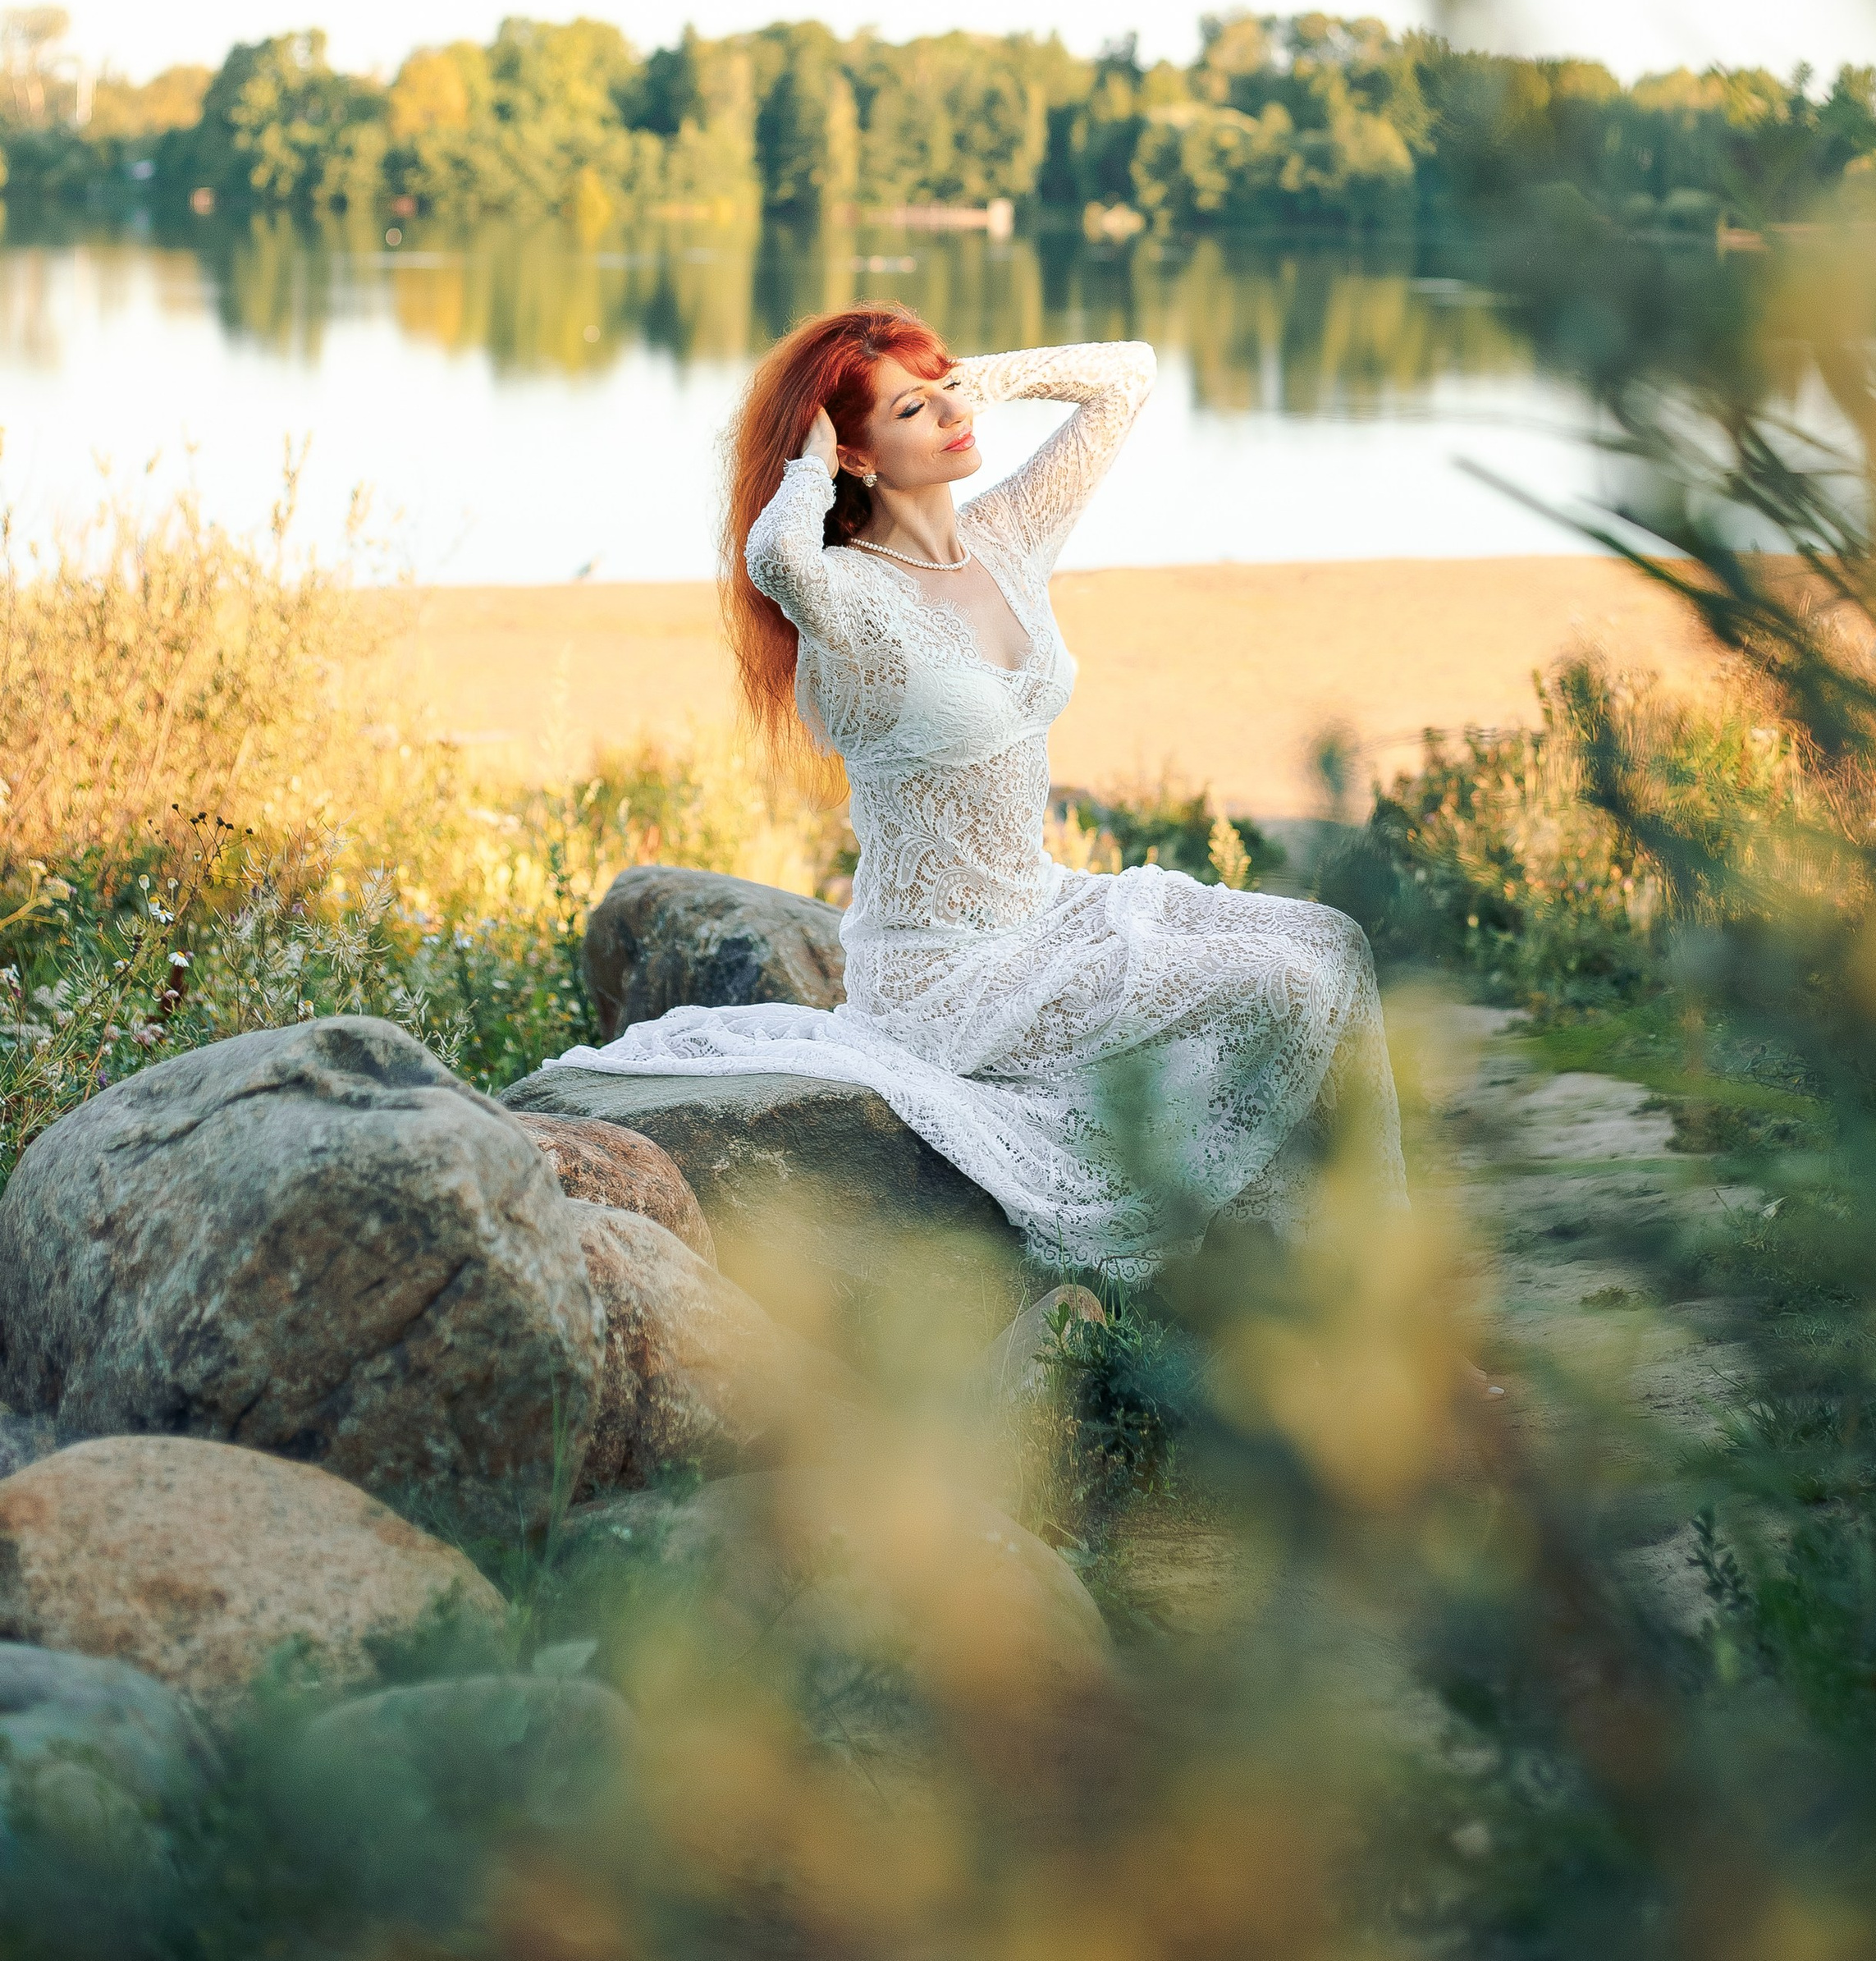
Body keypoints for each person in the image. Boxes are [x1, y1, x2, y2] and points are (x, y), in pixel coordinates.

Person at [550, 305, 1406, 1281]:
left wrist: (970, 381)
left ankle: (1376, 1287)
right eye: (913, 411)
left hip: (1049, 910)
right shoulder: (849, 595)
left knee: (1334, 943)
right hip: (947, 977)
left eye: (944, 395)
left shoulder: (1006, 536)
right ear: (857, 458)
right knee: (1286, 990)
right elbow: (773, 558)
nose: (952, 419)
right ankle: (1310, 1290)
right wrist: (804, 464)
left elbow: (1125, 375)